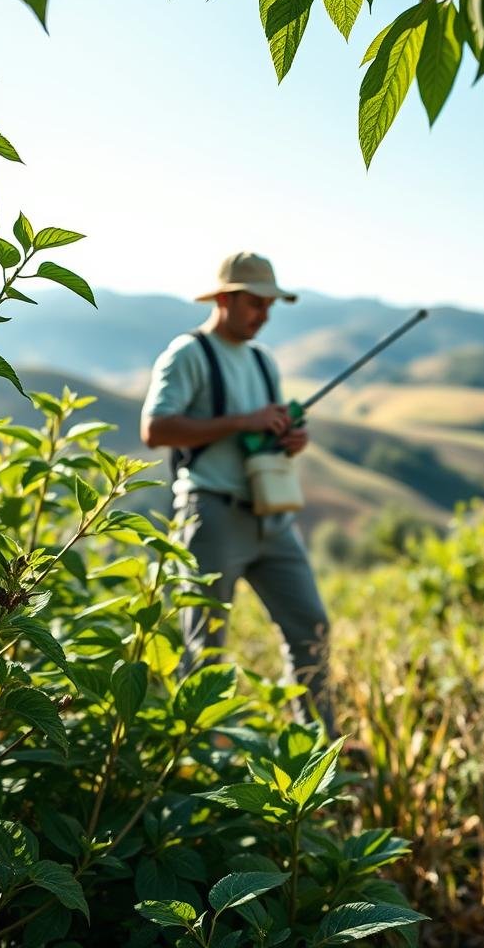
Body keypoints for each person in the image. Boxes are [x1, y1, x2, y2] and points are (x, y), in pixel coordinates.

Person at [140, 251, 335, 734]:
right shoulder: (188, 353)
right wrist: (241, 423)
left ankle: (320, 749)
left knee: (311, 628)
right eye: (255, 303)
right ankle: (198, 761)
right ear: (225, 298)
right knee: (202, 647)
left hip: (271, 516)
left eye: (270, 306)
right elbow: (155, 429)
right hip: (211, 515)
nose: (265, 315)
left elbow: (261, 433)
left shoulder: (263, 361)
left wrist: (290, 440)